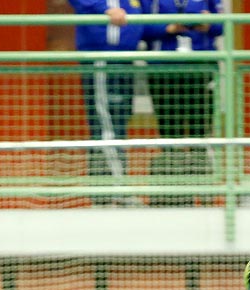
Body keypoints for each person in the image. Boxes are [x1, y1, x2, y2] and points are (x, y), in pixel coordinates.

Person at [144, 0, 223, 207]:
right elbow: (140, 28)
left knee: (202, 133)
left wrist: (209, 23)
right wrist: (168, 27)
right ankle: (175, 196)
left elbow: (221, 25)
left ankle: (205, 194)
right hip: (164, 68)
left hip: (201, 66)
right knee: (171, 133)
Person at [69, 0, 151, 201]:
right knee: (104, 125)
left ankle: (113, 190)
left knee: (120, 124)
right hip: (101, 57)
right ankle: (112, 190)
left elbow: (147, 17)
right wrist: (105, 10)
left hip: (125, 59)